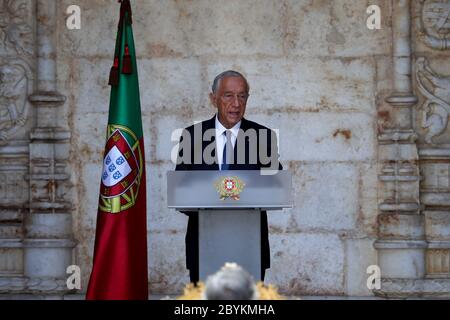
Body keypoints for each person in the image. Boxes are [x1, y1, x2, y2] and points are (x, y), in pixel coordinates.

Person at [175, 70, 282, 284]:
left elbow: (276, 188)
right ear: (213, 98)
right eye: (228, 95)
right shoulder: (192, 136)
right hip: (204, 244)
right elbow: (181, 193)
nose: (236, 103)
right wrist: (213, 196)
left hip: (249, 246)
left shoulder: (263, 137)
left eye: (242, 96)